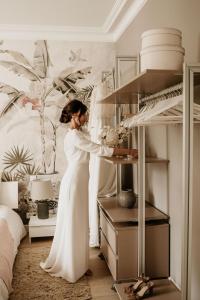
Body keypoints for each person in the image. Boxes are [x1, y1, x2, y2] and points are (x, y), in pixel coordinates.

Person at [40, 99, 138, 283]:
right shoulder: (74, 136)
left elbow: (97, 144)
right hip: (74, 183)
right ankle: (72, 267)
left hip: (79, 181)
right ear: (76, 115)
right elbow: (99, 149)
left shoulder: (79, 132)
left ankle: (79, 264)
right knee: (75, 223)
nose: (87, 117)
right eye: (85, 114)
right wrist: (129, 150)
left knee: (79, 223)